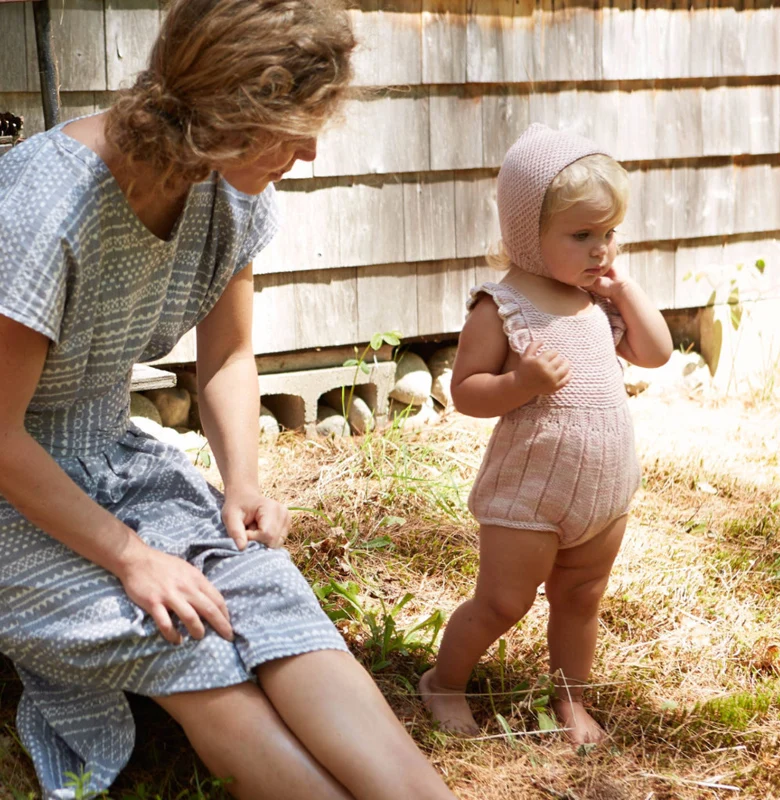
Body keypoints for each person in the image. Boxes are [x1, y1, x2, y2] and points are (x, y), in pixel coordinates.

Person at [0, 0, 457, 798]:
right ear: (228, 113)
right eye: (295, 127)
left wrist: (242, 481)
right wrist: (132, 557)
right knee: (189, 639)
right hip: (15, 488)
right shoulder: (44, 207)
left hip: (114, 459)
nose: (312, 151)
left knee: (266, 592)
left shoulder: (229, 190)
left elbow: (229, 356)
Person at [419, 124, 673, 743]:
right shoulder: (501, 305)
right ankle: (444, 683)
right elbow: (466, 391)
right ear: (526, 234)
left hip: (603, 491)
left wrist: (627, 289)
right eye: (582, 235)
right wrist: (520, 383)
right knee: (504, 603)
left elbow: (657, 352)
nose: (600, 251)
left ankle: (571, 702)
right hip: (530, 492)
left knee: (582, 598)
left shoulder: (600, 301)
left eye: (609, 234)